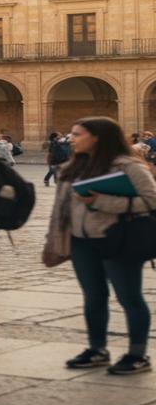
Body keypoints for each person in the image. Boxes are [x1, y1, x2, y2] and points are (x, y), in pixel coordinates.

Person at [43, 117, 156, 375]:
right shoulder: (73, 166)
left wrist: (102, 201)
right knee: (93, 297)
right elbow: (61, 209)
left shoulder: (128, 166)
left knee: (130, 298)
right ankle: (97, 349)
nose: (71, 138)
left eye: (78, 134)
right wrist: (56, 241)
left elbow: (151, 200)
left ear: (98, 138)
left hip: (118, 238)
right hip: (82, 241)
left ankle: (137, 354)